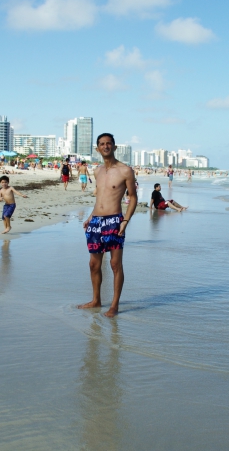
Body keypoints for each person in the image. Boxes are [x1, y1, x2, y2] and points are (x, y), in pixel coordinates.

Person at [79, 133, 137, 318]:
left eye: (108, 143)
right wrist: (90, 216)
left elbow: (133, 198)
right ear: (97, 149)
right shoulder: (97, 171)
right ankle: (96, 300)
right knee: (93, 265)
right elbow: (100, 198)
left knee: (115, 264)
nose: (105, 146)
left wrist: (125, 221)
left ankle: (114, 305)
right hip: (96, 221)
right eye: (102, 144)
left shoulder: (125, 170)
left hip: (114, 221)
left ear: (114, 147)